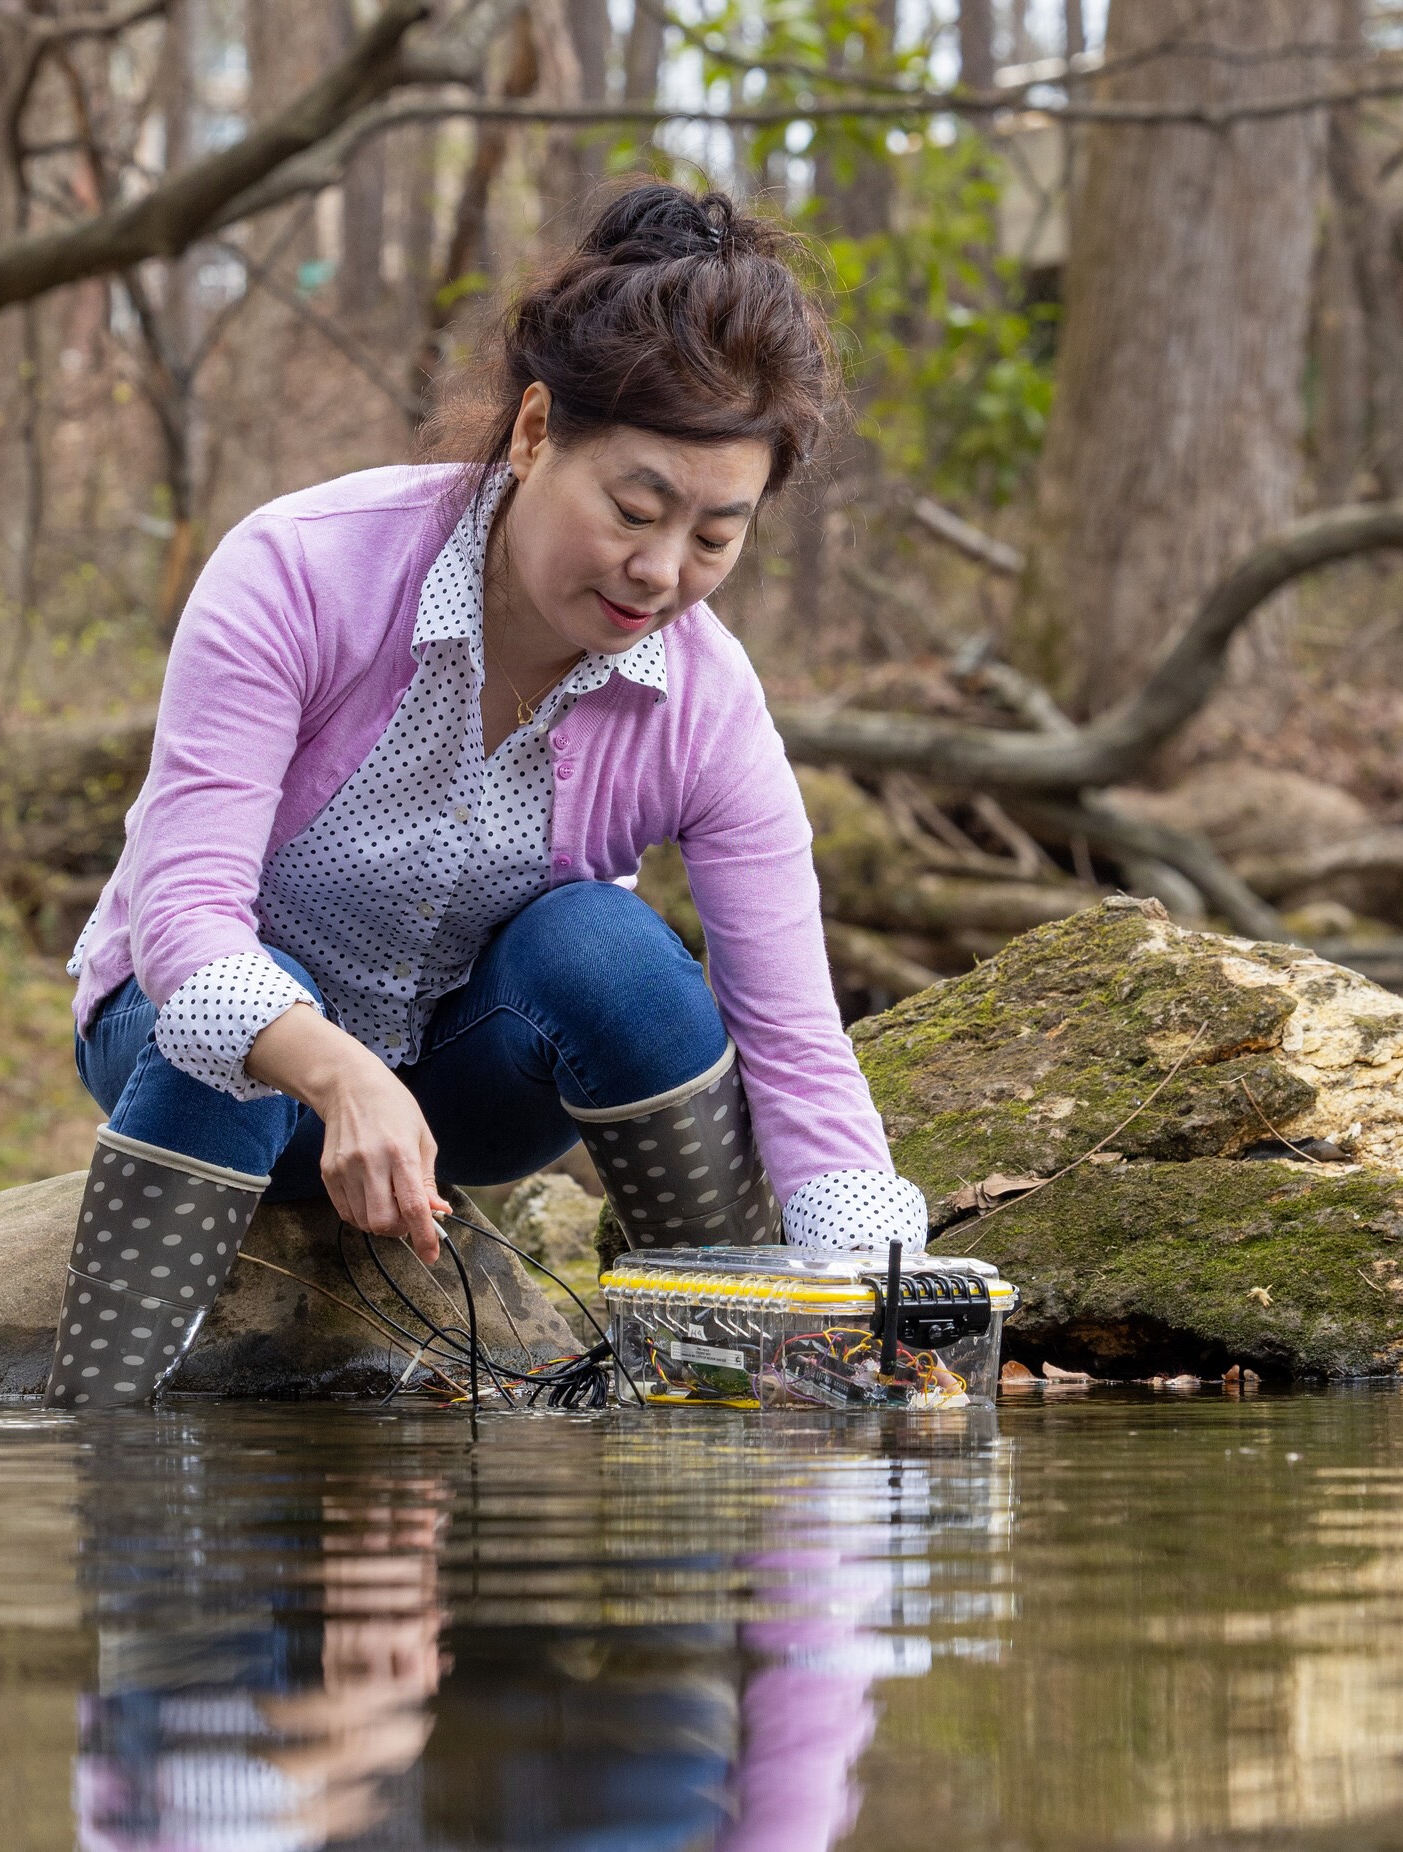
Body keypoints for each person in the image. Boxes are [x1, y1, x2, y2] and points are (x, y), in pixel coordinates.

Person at [48, 182, 928, 1409]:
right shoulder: (301, 571)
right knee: (253, 1005)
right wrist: (341, 1073)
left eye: (715, 538)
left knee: (611, 949)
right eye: (635, 508)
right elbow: (185, 921)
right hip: (197, 1052)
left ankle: (732, 1389)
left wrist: (877, 1287)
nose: (660, 570)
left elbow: (796, 1043)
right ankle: (105, 1441)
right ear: (531, 434)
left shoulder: (708, 708)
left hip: (459, 1090)